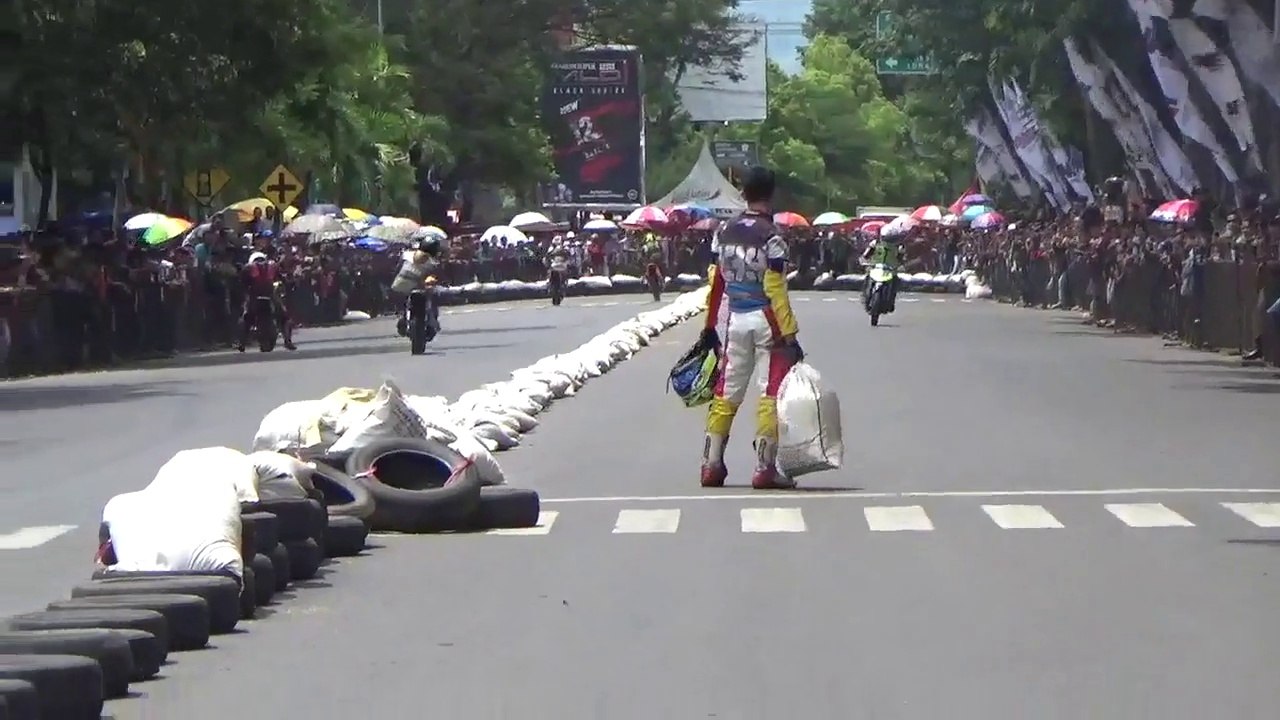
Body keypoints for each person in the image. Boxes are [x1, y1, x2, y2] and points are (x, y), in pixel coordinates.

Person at [699, 166, 803, 490]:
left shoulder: (723, 232)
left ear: (743, 192)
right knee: (770, 393)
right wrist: (790, 334)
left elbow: (716, 282)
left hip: (734, 322)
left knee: (726, 393)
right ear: (771, 195)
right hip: (766, 322)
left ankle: (711, 464)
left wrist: (709, 325)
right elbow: (775, 288)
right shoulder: (771, 236)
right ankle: (764, 468)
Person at [237, 251, 295, 351]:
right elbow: (284, 280)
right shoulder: (272, 266)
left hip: (254, 298)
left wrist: (244, 294)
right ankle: (287, 341)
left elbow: (241, 283)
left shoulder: (247, 267)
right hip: (270, 296)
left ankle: (242, 343)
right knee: (285, 317)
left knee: (245, 318)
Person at [393, 235, 443, 336]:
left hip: (410, 287)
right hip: (416, 288)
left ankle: (402, 315)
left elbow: (397, 269)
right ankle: (403, 316)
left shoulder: (406, 255)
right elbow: (439, 276)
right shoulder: (434, 262)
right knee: (432, 299)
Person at [860, 231, 903, 311]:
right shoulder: (875, 243)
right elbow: (866, 255)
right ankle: (865, 296)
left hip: (890, 270)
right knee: (867, 278)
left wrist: (900, 266)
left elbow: (901, 259)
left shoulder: (899, 247)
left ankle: (891, 301)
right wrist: (864, 261)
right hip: (875, 268)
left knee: (896, 282)